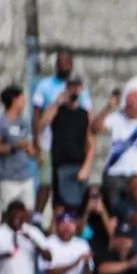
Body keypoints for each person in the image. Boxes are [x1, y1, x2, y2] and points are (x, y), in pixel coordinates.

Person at [31, 50, 91, 216]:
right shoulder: (45, 85)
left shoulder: (81, 89)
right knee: (46, 182)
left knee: (67, 191)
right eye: (60, 62)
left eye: (67, 62)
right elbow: (37, 116)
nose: (63, 65)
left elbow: (88, 118)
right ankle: (38, 217)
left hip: (71, 144)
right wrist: (36, 142)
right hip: (48, 142)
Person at [39, 74, 94, 213]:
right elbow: (42, 124)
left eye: (77, 87)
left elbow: (91, 141)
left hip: (78, 164)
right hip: (60, 164)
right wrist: (57, 103)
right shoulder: (58, 111)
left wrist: (86, 166)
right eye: (71, 87)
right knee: (59, 207)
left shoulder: (84, 114)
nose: (74, 90)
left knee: (77, 207)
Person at [0, 85, 39, 213]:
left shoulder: (25, 122)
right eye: (22, 98)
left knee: (27, 212)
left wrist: (35, 153)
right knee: (7, 214)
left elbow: (29, 145)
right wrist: (13, 147)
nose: (24, 101)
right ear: (14, 100)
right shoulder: (0, 123)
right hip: (7, 176)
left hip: (25, 175)